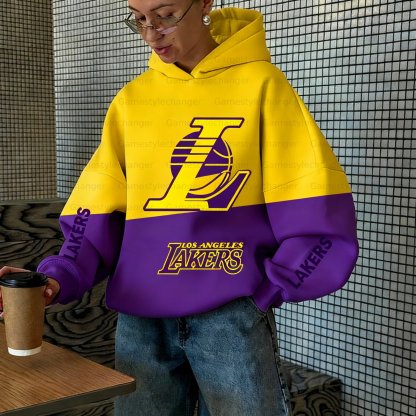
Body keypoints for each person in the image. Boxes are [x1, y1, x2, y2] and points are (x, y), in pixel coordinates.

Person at [0, 1, 359, 415]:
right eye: (139, 18)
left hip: (229, 318)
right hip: (141, 319)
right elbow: (96, 210)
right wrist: (57, 276)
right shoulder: (133, 101)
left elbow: (313, 205)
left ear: (204, 3)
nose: (151, 33)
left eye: (166, 15)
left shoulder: (263, 86)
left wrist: (269, 290)